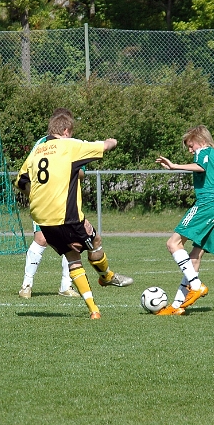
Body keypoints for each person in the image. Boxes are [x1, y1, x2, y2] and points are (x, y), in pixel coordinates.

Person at [15, 110, 132, 319]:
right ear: (66, 130)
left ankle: (94, 310)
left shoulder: (37, 150)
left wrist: (33, 196)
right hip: (66, 216)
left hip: (42, 219)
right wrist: (112, 142)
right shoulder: (69, 145)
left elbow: (21, 180)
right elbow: (103, 146)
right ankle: (106, 276)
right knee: (94, 240)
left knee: (72, 256)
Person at [154, 126, 214, 315]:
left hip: (208, 203)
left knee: (173, 243)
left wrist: (174, 166)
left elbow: (201, 166)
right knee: (195, 256)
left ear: (201, 140)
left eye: (191, 145)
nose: (191, 150)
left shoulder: (204, 152)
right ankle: (177, 306)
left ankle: (196, 285)